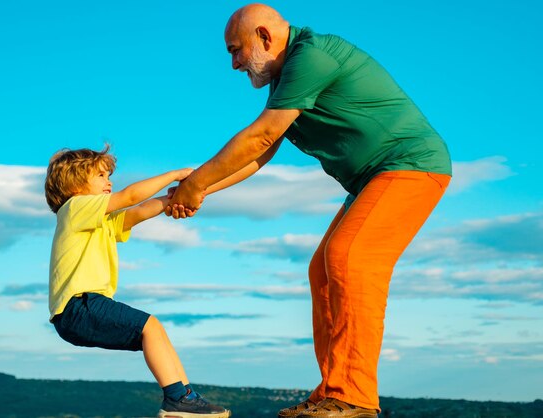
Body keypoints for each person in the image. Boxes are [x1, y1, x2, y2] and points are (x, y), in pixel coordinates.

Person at [165, 4, 452, 418]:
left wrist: (195, 184)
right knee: (322, 269)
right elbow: (259, 156)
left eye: (236, 50)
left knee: (351, 258)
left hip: (411, 165)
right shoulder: (283, 78)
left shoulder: (312, 56)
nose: (233, 64)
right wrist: (198, 190)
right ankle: (333, 392)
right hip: (374, 178)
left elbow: (260, 136)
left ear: (264, 37)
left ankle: (354, 396)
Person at [44, 145, 230, 418]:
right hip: (79, 305)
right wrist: (176, 175)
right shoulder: (74, 207)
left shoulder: (100, 221)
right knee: (150, 327)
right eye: (101, 175)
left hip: (79, 312)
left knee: (154, 333)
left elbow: (141, 210)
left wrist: (177, 198)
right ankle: (178, 399)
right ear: (74, 182)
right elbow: (130, 196)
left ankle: (186, 397)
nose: (109, 181)